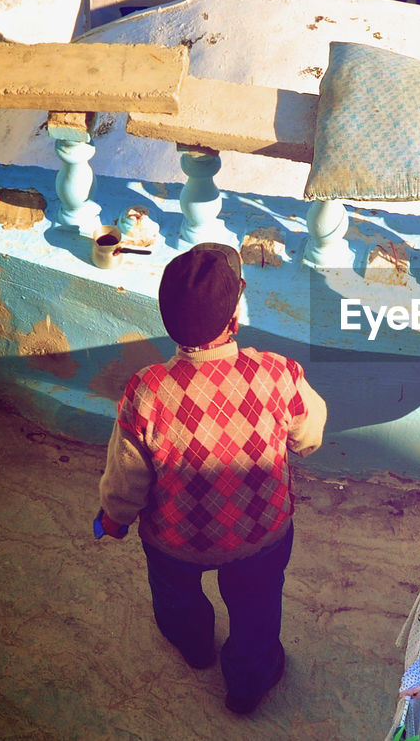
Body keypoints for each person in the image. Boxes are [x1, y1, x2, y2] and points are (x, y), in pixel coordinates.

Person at [95, 242, 326, 714]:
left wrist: (113, 519)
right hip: (261, 534)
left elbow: (127, 477)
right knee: (256, 606)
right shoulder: (277, 374)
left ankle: (194, 645)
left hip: (176, 540)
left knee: (174, 592)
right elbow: (310, 435)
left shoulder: (145, 390)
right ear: (234, 319)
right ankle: (247, 684)